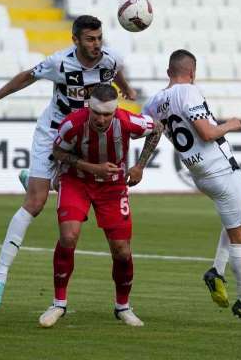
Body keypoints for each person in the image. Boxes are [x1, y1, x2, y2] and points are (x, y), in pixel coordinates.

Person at [0, 15, 137, 309]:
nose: (96, 45)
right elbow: (26, 76)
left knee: (76, 185)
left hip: (85, 135)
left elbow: (115, 72)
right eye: (90, 39)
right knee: (36, 202)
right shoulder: (60, 63)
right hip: (54, 132)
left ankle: (35, 179)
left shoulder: (110, 60)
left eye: (99, 38)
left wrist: (127, 90)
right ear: (75, 40)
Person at [142, 49, 241, 326]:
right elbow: (207, 132)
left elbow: (152, 134)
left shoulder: (153, 103)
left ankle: (216, 272)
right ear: (192, 73)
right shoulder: (189, 91)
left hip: (199, 172)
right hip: (220, 169)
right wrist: (231, 124)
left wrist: (140, 165)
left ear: (168, 72)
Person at [37, 84, 163, 328]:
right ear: (89, 107)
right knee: (69, 236)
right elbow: (57, 151)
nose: (102, 119)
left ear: (115, 111)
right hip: (76, 181)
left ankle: (123, 307)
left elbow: (157, 128)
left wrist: (139, 166)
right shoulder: (73, 123)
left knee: (122, 251)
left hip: (112, 188)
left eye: (107, 114)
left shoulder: (128, 121)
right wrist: (92, 168)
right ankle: (58, 303)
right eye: (97, 113)